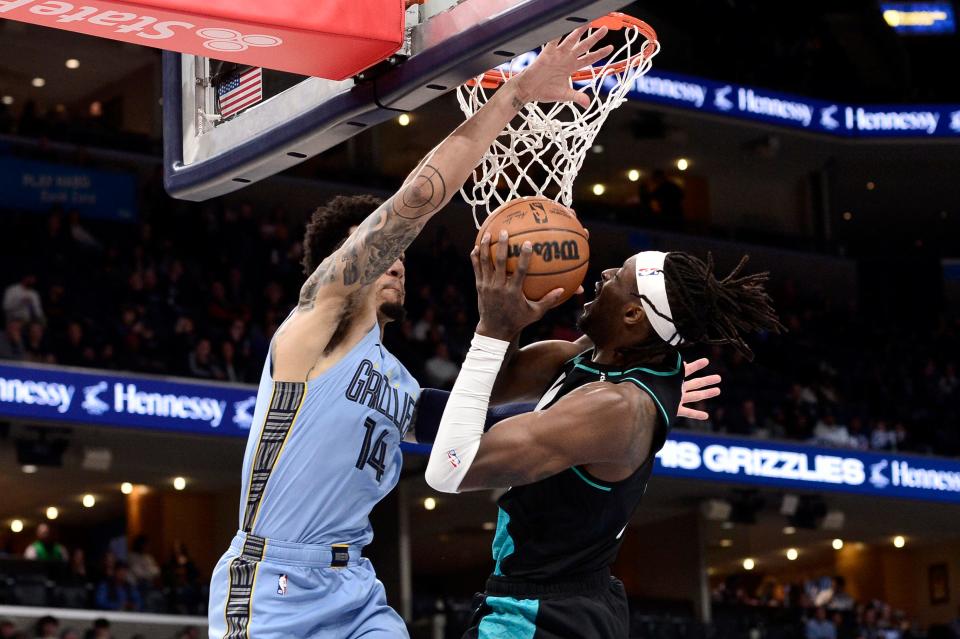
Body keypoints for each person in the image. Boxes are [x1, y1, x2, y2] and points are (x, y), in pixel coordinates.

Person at [206, 26, 623, 639]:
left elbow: (479, 414)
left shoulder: (394, 380)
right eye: (375, 250)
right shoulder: (315, 328)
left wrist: (617, 365)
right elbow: (416, 202)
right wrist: (513, 94)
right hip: (274, 582)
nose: (392, 259)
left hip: (355, 586)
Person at [426, 241, 781, 638]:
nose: (604, 274)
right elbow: (484, 391)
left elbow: (452, 468)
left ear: (633, 314)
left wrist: (494, 327)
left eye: (619, 276)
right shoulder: (599, 358)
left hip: (545, 615)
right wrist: (511, 321)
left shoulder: (618, 408)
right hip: (558, 600)